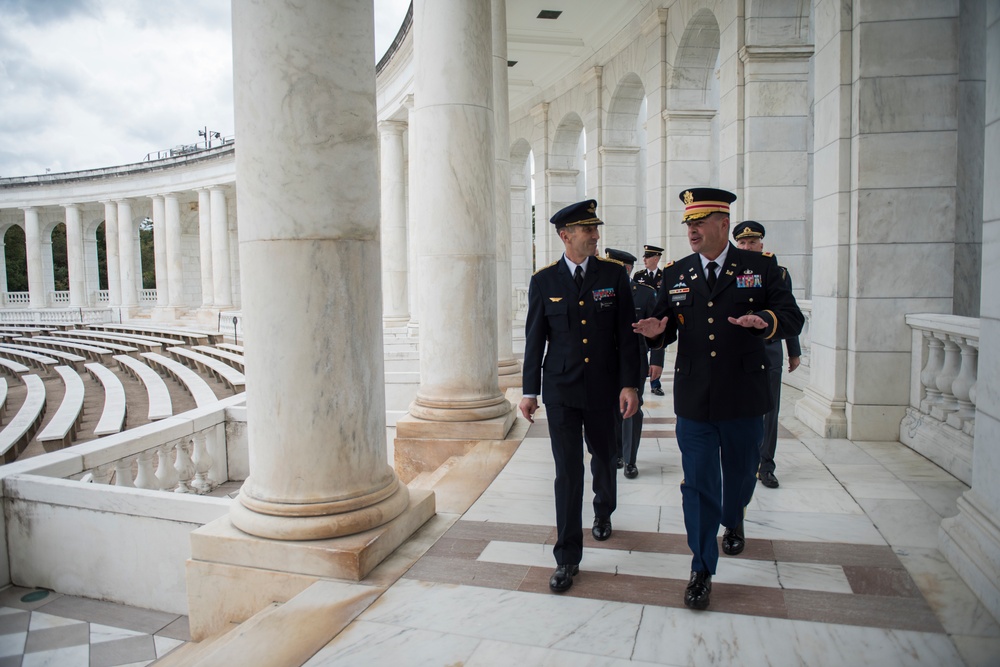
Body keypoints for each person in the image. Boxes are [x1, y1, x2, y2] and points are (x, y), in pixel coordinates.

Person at [633, 188, 803, 610]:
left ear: (723, 225)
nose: (691, 230)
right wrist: (658, 333)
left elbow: (792, 317)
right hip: (695, 400)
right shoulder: (675, 273)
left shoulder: (761, 268)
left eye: (699, 222)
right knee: (697, 484)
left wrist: (764, 319)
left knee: (741, 477)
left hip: (744, 397)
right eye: (687, 224)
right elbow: (667, 323)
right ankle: (701, 567)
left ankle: (736, 514)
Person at [519, 199, 641, 594]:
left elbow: (627, 335)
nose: (596, 236)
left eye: (595, 229)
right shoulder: (544, 281)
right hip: (561, 391)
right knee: (567, 471)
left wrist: (630, 384)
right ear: (565, 235)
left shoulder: (612, 275)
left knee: (605, 457)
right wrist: (528, 391)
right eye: (588, 230)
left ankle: (603, 511)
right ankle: (567, 556)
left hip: (604, 388)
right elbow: (535, 340)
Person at [733, 220, 802, 489]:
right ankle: (741, 461)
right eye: (742, 242)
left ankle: (766, 465)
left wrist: (793, 352)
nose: (747, 246)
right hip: (737, 353)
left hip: (769, 351)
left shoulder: (778, 273)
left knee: (769, 411)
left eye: (752, 242)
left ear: (762, 244)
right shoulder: (729, 272)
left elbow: (788, 313)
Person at [606, 248, 664, 479]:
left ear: (628, 269)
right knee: (612, 408)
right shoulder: (601, 291)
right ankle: (617, 453)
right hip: (607, 360)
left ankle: (630, 460)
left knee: (632, 408)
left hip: (635, 359)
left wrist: (657, 360)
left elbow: (658, 327)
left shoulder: (644, 293)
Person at [634, 245, 666, 396]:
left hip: (657, 315)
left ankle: (655, 383)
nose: (644, 260)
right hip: (642, 317)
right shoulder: (639, 275)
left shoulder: (664, 275)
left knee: (656, 347)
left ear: (656, 258)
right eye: (644, 257)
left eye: (648, 257)